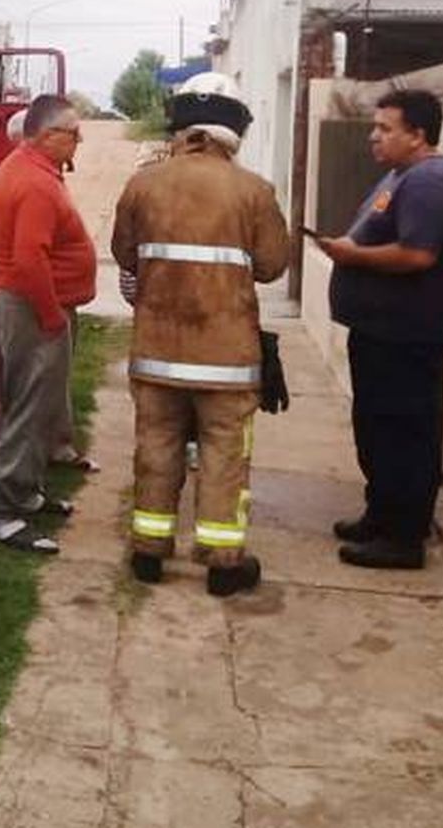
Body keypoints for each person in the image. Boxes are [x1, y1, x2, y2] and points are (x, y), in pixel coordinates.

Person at [111, 73, 289, 596]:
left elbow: (125, 254)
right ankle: (221, 561)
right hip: (227, 359)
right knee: (224, 455)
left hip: (157, 353)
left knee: (156, 447)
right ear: (234, 129)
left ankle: (148, 552)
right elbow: (273, 265)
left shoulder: (143, 185)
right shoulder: (254, 191)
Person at [317, 88, 443, 571]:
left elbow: (418, 254)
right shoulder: (402, 176)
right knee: (376, 427)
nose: (374, 137)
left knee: (402, 432)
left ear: (418, 135)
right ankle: (381, 514)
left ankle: (403, 537)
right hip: (380, 331)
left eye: (385, 128)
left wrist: (351, 255)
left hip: (406, 335)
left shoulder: (428, 182)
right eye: (375, 127)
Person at [0, 95, 98, 554]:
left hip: (24, 302)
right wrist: (52, 315)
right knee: (31, 407)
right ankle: (6, 514)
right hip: (33, 306)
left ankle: (27, 492)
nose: (79, 141)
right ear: (47, 136)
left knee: (39, 404)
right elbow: (31, 258)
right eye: (74, 133)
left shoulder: (24, 169)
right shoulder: (34, 183)